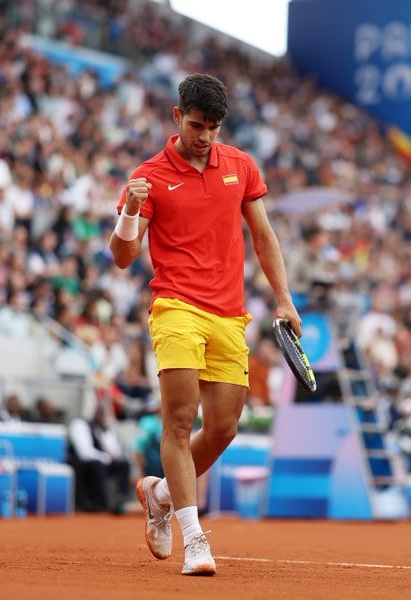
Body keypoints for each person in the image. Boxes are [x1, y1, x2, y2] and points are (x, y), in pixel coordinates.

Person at [109, 73, 302, 576]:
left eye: (214, 128)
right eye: (197, 125)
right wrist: (129, 211)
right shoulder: (149, 175)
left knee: (223, 427)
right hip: (175, 307)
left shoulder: (240, 165)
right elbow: (123, 257)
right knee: (178, 420)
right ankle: (194, 539)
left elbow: (263, 235)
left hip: (228, 314)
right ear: (177, 117)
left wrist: (284, 299)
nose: (205, 136)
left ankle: (159, 493)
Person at [67, 404, 131, 513]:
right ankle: (101, 504)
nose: (103, 416)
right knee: (98, 465)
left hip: (101, 461)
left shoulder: (105, 429)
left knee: (124, 464)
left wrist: (105, 433)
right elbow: (84, 452)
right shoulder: (80, 424)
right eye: (100, 413)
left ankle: (122, 500)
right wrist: (106, 457)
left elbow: (115, 452)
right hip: (82, 464)